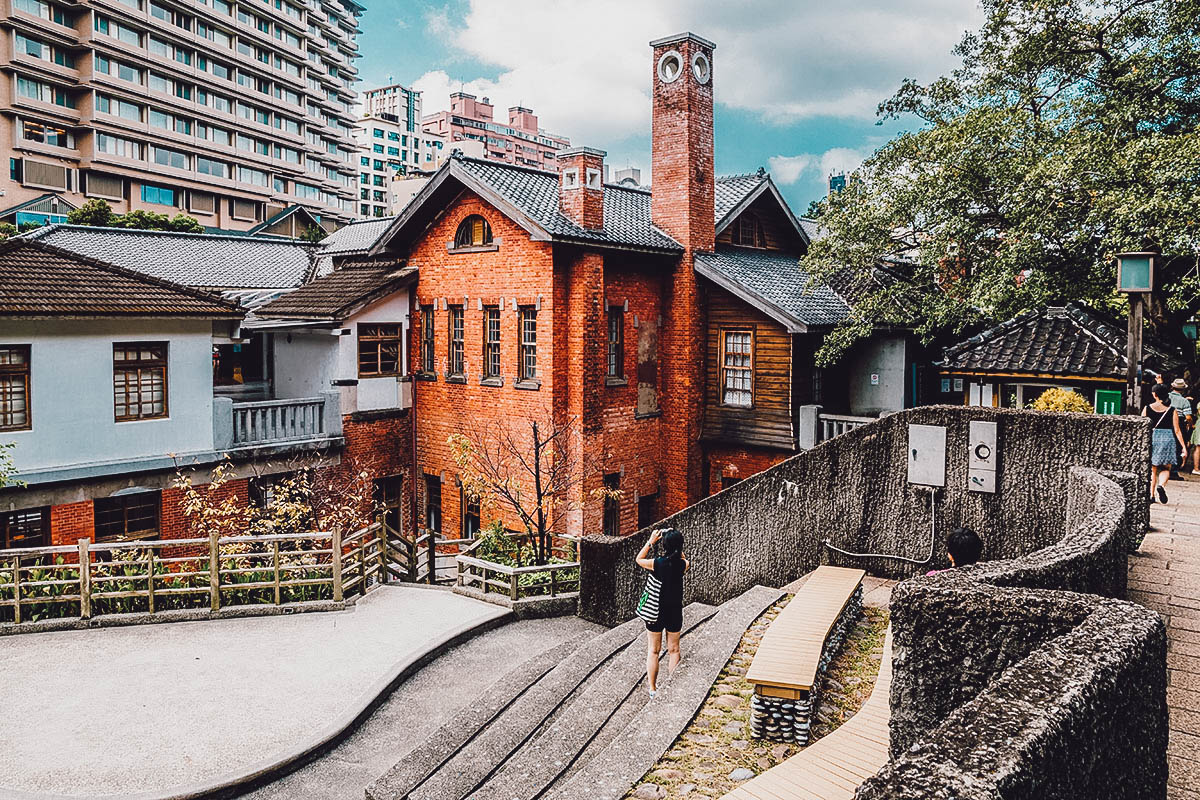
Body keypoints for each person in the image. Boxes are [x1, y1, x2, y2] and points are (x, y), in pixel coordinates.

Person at [635, 527, 688, 697]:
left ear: (664, 545)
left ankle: (652, 688)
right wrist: (677, 547)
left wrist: (651, 541)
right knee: (674, 650)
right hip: (674, 610)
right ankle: (672, 687)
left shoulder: (657, 563)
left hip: (655, 611)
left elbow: (639, 559)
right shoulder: (683, 565)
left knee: (653, 650)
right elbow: (683, 558)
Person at [1144, 382, 1187, 503]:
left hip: (1152, 438)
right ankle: (1161, 486)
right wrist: (1184, 447)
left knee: (1152, 469)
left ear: (1154, 394)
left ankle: (1151, 496)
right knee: (1166, 468)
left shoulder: (1147, 408)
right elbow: (1177, 430)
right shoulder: (1172, 410)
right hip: (1168, 438)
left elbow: (1142, 427)